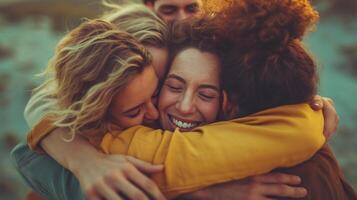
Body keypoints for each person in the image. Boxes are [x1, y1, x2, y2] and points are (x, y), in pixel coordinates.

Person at [12, 2, 338, 200]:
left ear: (230, 100)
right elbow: (35, 138)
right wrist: (85, 161)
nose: (179, 106)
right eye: (168, 86)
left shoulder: (274, 158)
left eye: (207, 93)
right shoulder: (100, 133)